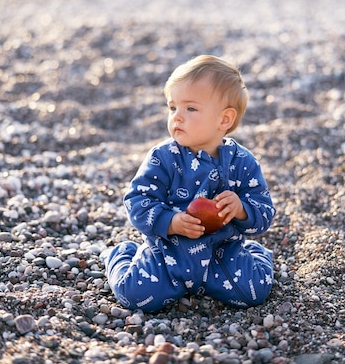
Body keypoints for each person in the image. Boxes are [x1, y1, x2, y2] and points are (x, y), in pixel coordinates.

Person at [101, 55, 276, 313]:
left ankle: (257, 254)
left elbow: (264, 212)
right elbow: (137, 201)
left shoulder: (243, 163)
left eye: (190, 109)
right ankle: (121, 254)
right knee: (133, 295)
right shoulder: (163, 158)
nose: (178, 117)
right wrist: (170, 222)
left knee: (255, 292)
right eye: (173, 108)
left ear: (224, 120)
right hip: (168, 254)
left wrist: (241, 209)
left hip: (222, 255)